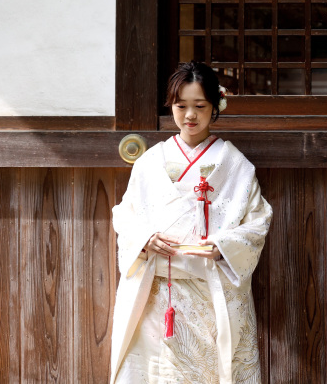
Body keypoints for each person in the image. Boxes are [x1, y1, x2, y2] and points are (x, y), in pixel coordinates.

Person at [109, 61, 272, 384]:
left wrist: (223, 246)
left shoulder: (234, 164)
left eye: (200, 106)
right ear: (171, 106)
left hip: (211, 290)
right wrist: (144, 239)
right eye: (181, 106)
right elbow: (125, 215)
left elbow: (257, 222)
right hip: (157, 292)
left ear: (216, 107)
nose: (190, 116)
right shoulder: (150, 162)